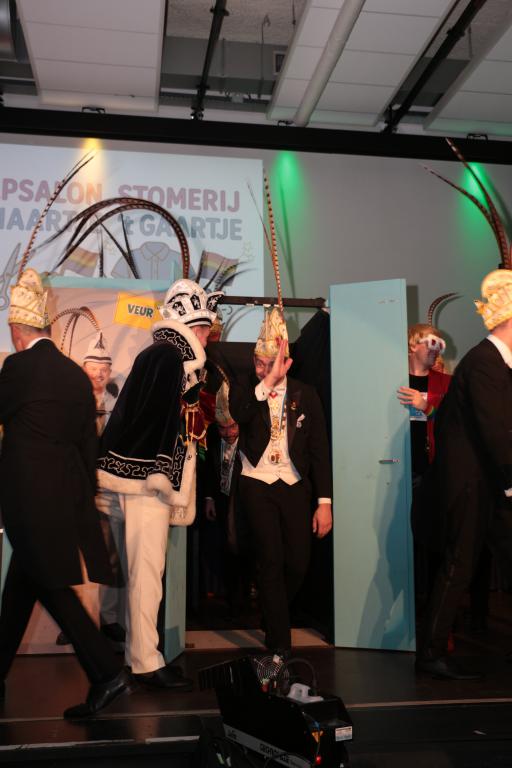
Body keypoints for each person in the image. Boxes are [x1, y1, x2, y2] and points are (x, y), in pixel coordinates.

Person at [0, 269, 130, 718]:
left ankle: (107, 673)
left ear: (16, 330)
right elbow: (86, 444)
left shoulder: (16, 368)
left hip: (27, 498)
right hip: (63, 499)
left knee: (51, 587)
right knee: (21, 588)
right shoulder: (75, 376)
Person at [97, 278, 222, 688]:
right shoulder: (169, 357)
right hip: (148, 482)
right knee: (147, 572)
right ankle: (145, 661)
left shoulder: (162, 356)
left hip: (142, 479)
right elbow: (159, 420)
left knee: (143, 570)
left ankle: (139, 653)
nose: (207, 337)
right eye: (203, 329)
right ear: (191, 326)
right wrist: (160, 470)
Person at [416, 269, 512, 679]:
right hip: (473, 485)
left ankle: (432, 649)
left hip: (488, 485)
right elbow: (496, 430)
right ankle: (430, 652)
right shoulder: (484, 362)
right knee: (459, 565)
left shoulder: (494, 363)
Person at [229, 307, 332, 658]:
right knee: (270, 560)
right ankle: (279, 643)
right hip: (256, 483)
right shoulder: (246, 388)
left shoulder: (306, 394)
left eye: (269, 363)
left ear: (285, 361)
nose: (262, 369)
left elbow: (319, 451)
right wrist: (266, 384)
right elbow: (240, 414)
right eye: (258, 363)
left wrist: (324, 502)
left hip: (294, 485)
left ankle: (272, 612)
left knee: (298, 563)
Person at [397, 322, 451, 608]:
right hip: (394, 473)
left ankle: (431, 612)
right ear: (412, 345)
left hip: (429, 473)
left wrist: (427, 407)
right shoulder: (393, 377)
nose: (436, 350)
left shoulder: (446, 383)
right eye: (431, 343)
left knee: (430, 545)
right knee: (397, 543)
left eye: (439, 345)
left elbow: (457, 422)